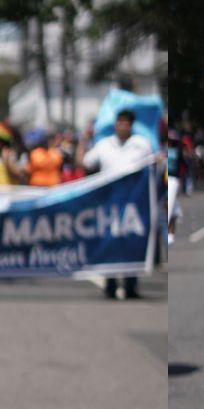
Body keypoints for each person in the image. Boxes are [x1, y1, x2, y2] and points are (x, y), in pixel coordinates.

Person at [76, 108, 154, 299]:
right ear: (115, 124)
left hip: (133, 203)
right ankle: (110, 285)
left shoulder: (141, 144)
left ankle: (131, 285)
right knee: (109, 242)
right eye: (120, 122)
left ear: (131, 125)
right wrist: (83, 140)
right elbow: (84, 162)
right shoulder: (103, 145)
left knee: (132, 242)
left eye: (126, 123)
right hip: (109, 202)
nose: (122, 126)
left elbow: (151, 169)